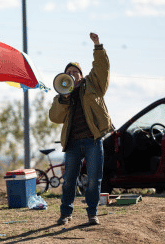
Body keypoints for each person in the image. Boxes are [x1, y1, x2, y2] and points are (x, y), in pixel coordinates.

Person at [49, 32, 113, 225]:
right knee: (69, 180)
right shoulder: (61, 96)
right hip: (73, 144)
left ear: (81, 75)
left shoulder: (93, 85)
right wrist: (64, 99)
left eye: (75, 72)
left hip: (93, 140)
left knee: (94, 180)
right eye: (68, 72)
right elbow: (54, 117)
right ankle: (65, 213)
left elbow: (102, 68)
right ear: (64, 77)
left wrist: (98, 46)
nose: (72, 74)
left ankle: (92, 214)